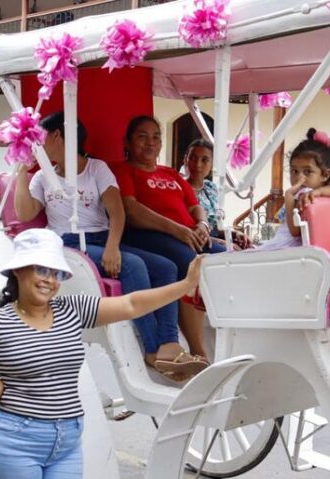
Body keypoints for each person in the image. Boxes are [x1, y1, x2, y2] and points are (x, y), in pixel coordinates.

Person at [0, 228, 204, 478]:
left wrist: (184, 286)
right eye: (41, 270)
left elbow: (131, 304)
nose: (49, 280)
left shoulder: (72, 309)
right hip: (15, 441)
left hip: (66, 442)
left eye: (56, 273)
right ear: (19, 270)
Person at [14, 112, 206, 378]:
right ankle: (152, 349)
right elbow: (24, 213)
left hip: (104, 237)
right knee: (134, 265)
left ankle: (169, 343)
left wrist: (113, 246)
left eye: (41, 138)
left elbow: (117, 212)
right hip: (70, 243)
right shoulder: (42, 178)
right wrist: (22, 171)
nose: (38, 145)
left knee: (166, 267)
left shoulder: (96, 169)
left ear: (57, 136)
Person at [111, 116, 225, 361]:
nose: (150, 142)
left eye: (156, 137)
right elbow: (132, 210)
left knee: (226, 257)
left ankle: (229, 337)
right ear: (128, 142)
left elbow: (194, 207)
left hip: (187, 234)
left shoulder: (170, 173)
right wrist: (178, 230)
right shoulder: (122, 170)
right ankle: (198, 350)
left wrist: (203, 225)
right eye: (142, 137)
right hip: (149, 235)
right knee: (189, 261)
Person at [259, 128, 330, 250]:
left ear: (325, 175)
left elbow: (295, 231)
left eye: (307, 172)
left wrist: (289, 196)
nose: (299, 178)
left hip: (291, 247)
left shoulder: (306, 196)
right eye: (294, 171)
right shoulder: (322, 195)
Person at [182, 138, 251, 249]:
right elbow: (184, 229)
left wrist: (235, 234)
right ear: (186, 160)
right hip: (195, 241)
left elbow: (216, 227)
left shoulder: (211, 188)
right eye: (193, 158)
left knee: (251, 249)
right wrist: (221, 243)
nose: (198, 164)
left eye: (204, 160)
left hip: (215, 238)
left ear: (212, 164)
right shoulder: (179, 189)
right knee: (235, 253)